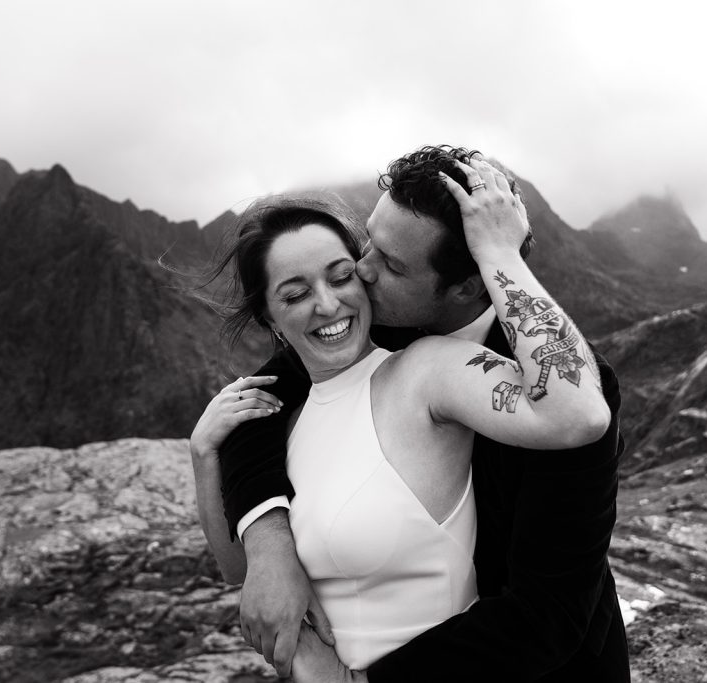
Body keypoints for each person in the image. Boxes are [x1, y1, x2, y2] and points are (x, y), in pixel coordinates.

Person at [203, 147, 628, 681]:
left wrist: (502, 254)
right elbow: (263, 407)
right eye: (369, 244)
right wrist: (268, 547)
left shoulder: (570, 384)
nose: (362, 271)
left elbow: (548, 615)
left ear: (469, 286)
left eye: (391, 264)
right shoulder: (376, 322)